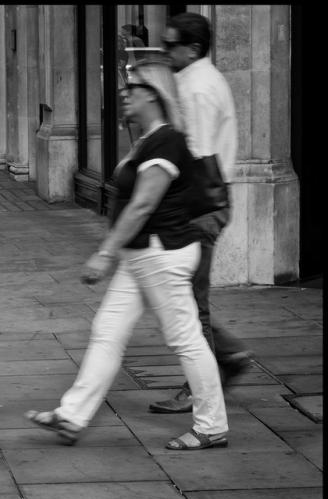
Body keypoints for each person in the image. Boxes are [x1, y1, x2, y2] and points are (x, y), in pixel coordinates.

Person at [24, 59, 229, 451]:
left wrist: (104, 253)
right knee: (107, 332)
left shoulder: (166, 140)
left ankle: (212, 425)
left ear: (152, 95)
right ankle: (72, 416)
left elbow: (141, 206)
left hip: (160, 255)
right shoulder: (148, 139)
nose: (124, 95)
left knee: (185, 338)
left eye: (131, 90)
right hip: (142, 257)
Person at [148, 12, 252, 415]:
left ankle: (204, 385)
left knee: (190, 302)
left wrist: (170, 206)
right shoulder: (198, 80)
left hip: (199, 204)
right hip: (204, 202)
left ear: (192, 48)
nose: (164, 50)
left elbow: (198, 156)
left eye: (171, 44)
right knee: (187, 297)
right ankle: (225, 358)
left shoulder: (198, 88)